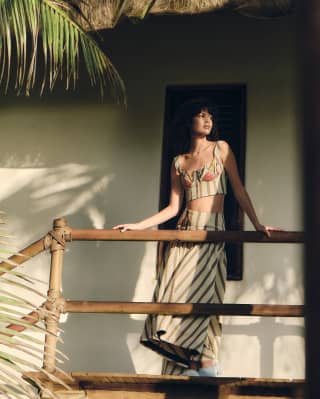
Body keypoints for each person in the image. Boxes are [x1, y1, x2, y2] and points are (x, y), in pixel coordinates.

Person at [113, 98, 281, 377]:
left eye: (210, 117)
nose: (207, 120)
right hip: (183, 233)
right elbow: (172, 207)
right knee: (174, 297)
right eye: (201, 115)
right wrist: (139, 226)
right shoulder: (178, 162)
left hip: (212, 232)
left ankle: (204, 366)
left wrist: (258, 223)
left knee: (206, 297)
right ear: (188, 121)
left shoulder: (221, 149)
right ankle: (186, 365)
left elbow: (239, 191)